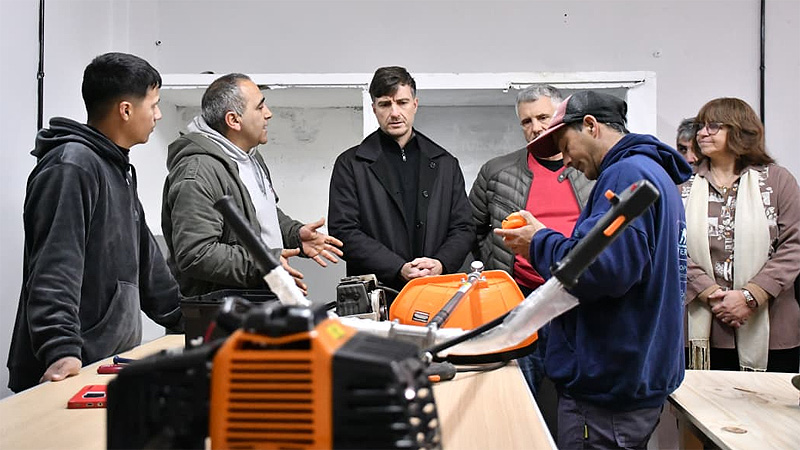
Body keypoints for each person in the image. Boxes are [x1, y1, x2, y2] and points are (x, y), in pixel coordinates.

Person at [496, 91, 692, 449]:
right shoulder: (654, 174)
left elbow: (598, 269)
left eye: (566, 145)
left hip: (607, 393)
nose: (566, 160)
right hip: (633, 379)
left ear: (591, 126)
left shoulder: (625, 174)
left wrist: (537, 241)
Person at [7, 52, 183, 393]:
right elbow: (55, 266)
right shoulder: (72, 166)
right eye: (154, 104)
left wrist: (188, 321)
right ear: (126, 110)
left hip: (105, 367)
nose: (158, 114)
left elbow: (150, 270)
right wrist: (60, 351)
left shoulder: (117, 169)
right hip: (69, 371)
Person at [162, 73, 343, 298]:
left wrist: (294, 233)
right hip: (220, 315)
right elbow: (197, 254)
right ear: (233, 120)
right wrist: (264, 262)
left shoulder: (249, 157)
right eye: (259, 107)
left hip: (257, 301)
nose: (269, 114)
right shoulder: (198, 171)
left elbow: (260, 215)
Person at [468, 84, 593, 397]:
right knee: (518, 393)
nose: (536, 127)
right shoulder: (496, 171)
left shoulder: (590, 170)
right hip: (519, 301)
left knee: (578, 395)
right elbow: (469, 228)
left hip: (577, 300)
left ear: (560, 118)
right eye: (526, 121)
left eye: (543, 117)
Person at [328, 66, 474, 292]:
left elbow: (464, 227)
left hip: (436, 289)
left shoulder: (446, 163)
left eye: (402, 102)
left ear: (415, 104)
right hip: (376, 293)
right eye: (385, 104)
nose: (395, 112)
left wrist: (440, 263)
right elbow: (343, 231)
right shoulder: (350, 164)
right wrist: (398, 267)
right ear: (374, 108)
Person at [682, 97, 800, 373]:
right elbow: (674, 248)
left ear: (740, 131)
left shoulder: (777, 181)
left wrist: (750, 296)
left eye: (713, 126)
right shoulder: (682, 185)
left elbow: (794, 245)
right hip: (702, 332)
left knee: (768, 414)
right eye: (700, 126)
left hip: (772, 328)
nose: (702, 133)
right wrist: (712, 294)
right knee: (706, 413)